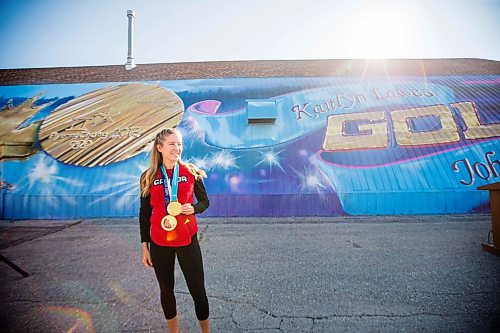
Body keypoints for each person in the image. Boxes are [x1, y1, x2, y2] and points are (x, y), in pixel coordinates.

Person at [139, 127, 210, 333]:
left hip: (187, 240)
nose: (177, 148)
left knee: (198, 291)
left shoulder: (191, 172)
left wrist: (193, 209)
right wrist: (145, 246)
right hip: (160, 243)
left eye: (179, 144)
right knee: (166, 290)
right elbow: (144, 215)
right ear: (159, 148)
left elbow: (205, 202)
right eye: (171, 144)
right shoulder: (148, 177)